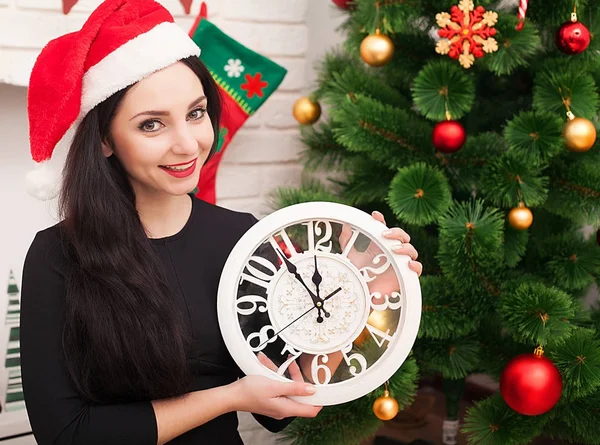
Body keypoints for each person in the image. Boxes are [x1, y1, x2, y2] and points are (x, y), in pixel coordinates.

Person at [19, 1, 423, 444]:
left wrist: (369, 291)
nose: (188, 144)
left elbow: (286, 403)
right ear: (104, 140)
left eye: (196, 113)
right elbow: (64, 435)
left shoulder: (243, 239)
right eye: (151, 125)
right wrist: (229, 398)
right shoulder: (57, 256)